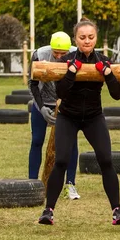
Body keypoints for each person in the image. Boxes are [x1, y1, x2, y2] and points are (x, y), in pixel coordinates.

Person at [38, 18, 120, 225]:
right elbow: (60, 92)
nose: (86, 41)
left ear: (95, 38)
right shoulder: (65, 60)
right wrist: (71, 72)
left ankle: (117, 211)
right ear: (75, 39)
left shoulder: (104, 59)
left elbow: (117, 94)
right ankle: (48, 211)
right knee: (61, 160)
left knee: (106, 159)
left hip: (93, 117)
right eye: (82, 37)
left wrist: (108, 74)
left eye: (90, 37)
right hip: (68, 116)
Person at [28, 31, 80, 200]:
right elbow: (33, 84)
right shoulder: (39, 54)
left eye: (62, 54)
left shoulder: (77, 54)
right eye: (55, 52)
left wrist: (67, 105)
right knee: (37, 141)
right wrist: (41, 108)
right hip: (42, 101)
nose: (58, 56)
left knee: (71, 143)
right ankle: (32, 183)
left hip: (67, 103)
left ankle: (70, 184)